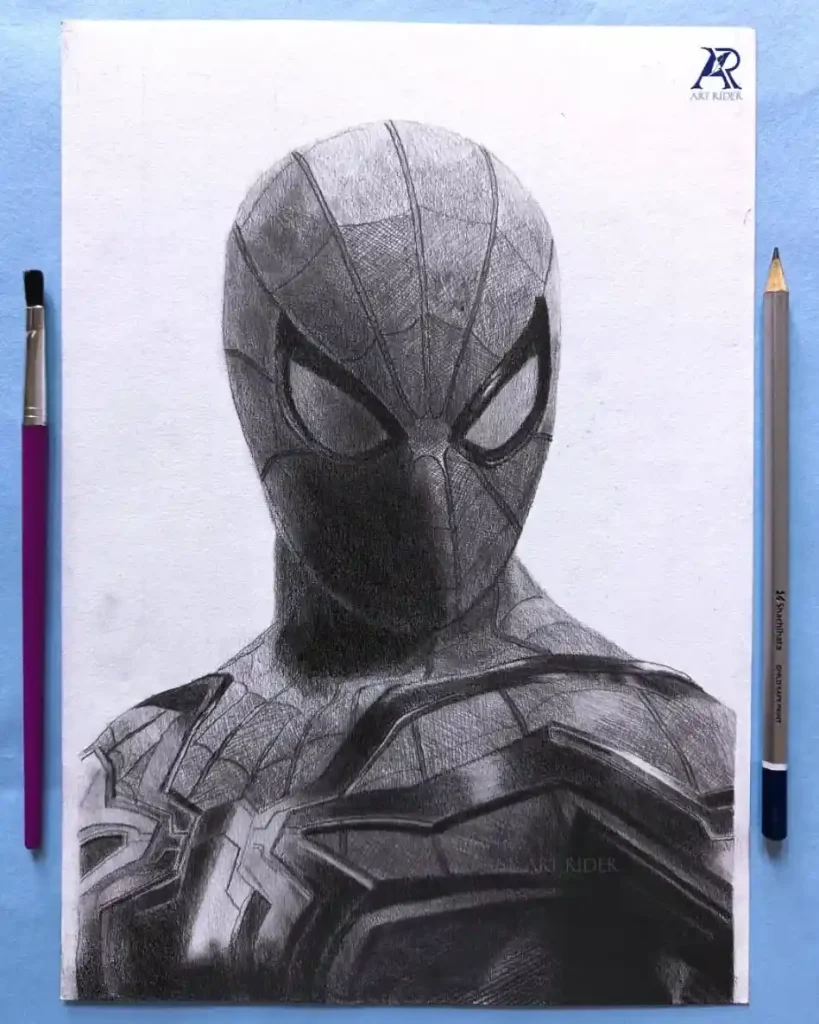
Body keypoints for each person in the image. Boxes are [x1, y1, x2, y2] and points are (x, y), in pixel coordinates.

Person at [75, 121, 735, 1006]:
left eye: (491, 409)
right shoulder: (138, 760)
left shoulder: (648, 744)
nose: (431, 491)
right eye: (348, 412)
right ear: (255, 375)